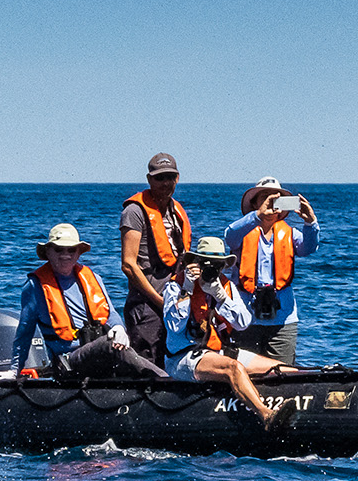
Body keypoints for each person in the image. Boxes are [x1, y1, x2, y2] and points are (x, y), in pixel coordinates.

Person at [11, 224, 168, 379]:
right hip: (68, 362)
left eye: (71, 250)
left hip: (99, 352)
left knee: (126, 341)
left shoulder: (93, 278)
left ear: (78, 253)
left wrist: (119, 328)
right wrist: (14, 371)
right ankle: (166, 381)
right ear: (48, 252)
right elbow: (25, 332)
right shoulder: (34, 286)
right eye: (59, 249)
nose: (65, 255)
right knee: (111, 345)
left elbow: (111, 314)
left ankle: (162, 381)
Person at [162, 237, 285, 427]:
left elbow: (243, 323)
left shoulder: (224, 286)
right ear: (195, 264)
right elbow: (174, 327)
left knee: (280, 369)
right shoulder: (176, 286)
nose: (212, 270)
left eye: (218, 265)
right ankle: (267, 415)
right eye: (206, 264)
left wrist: (221, 297)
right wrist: (187, 289)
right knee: (233, 368)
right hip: (183, 357)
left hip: (218, 351)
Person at [222, 177, 320, 365]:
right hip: (244, 317)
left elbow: (309, 248)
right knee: (243, 369)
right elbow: (230, 236)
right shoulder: (243, 230)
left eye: (276, 199)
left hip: (282, 318)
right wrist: (258, 216)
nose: (271, 203)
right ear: (254, 204)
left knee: (282, 370)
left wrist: (310, 223)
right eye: (265, 198)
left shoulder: (290, 233)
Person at [120, 153, 193, 365]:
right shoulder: (134, 212)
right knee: (148, 364)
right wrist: (159, 302)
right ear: (149, 179)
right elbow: (128, 264)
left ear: (177, 178)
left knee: (176, 358)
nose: (165, 183)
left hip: (175, 300)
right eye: (160, 178)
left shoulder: (176, 211)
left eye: (170, 177)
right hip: (147, 305)